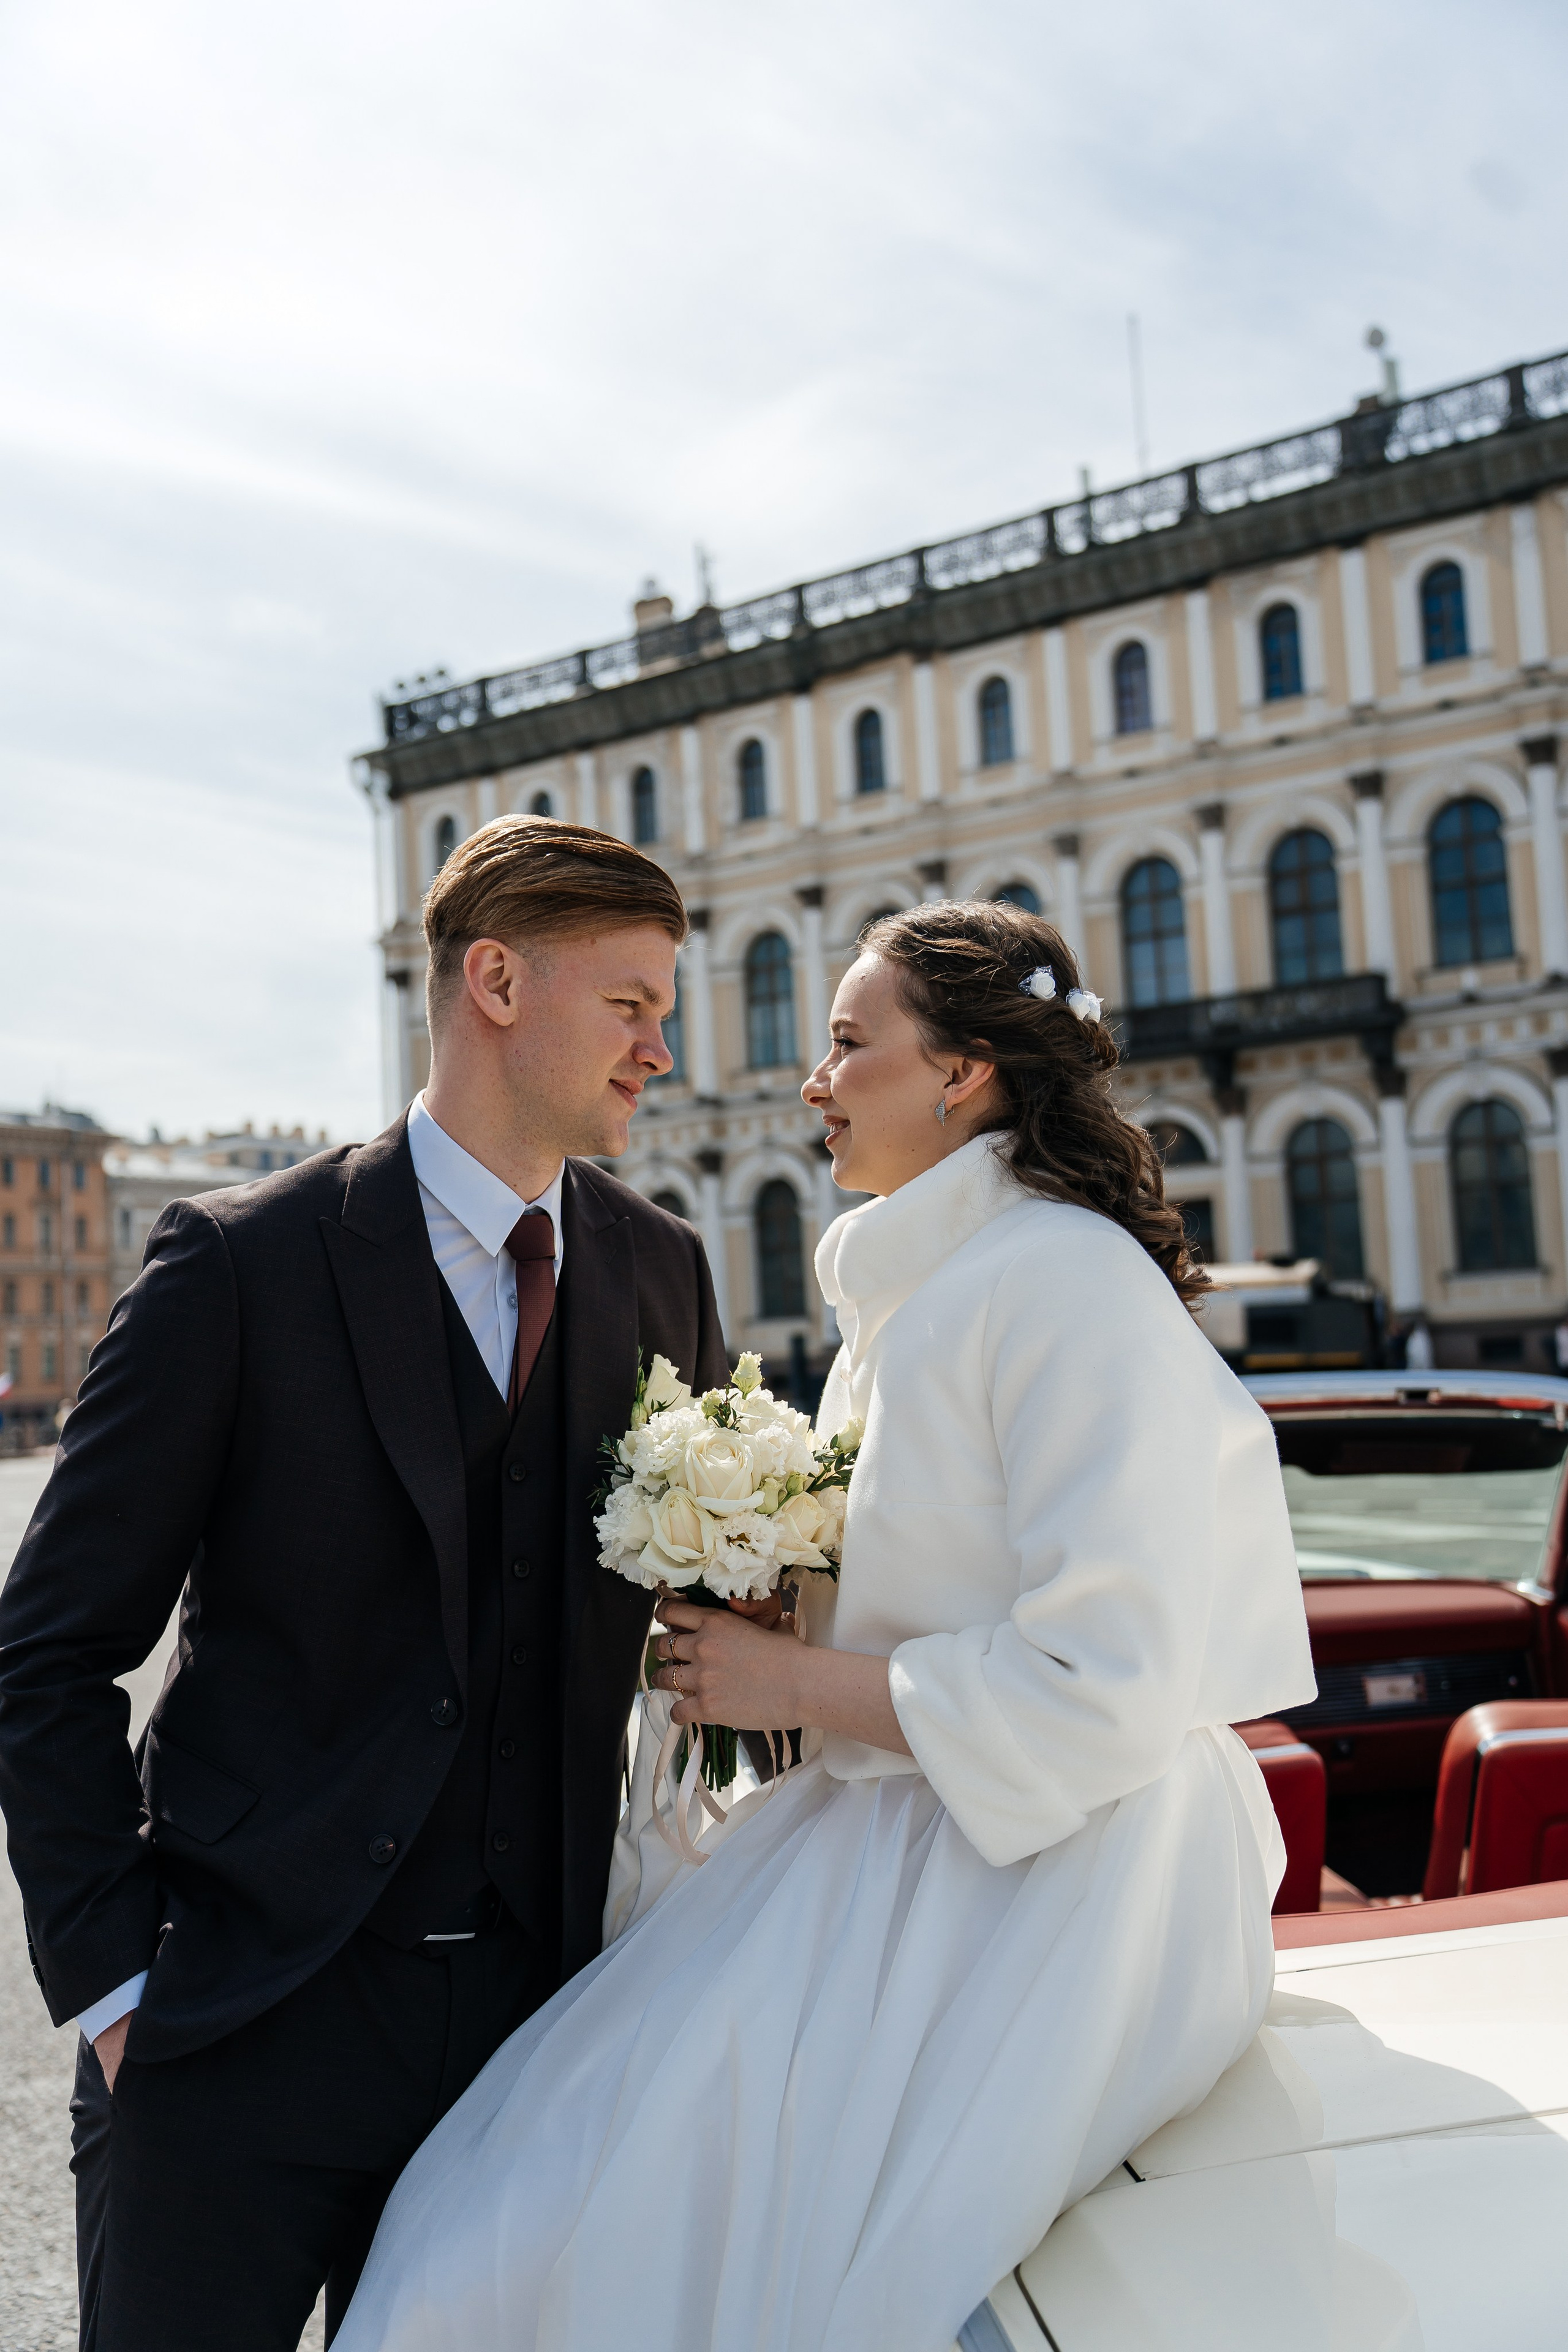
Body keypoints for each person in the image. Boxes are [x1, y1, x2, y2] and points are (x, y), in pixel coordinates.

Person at [336, 900, 1317, 2352]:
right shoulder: (911, 1290)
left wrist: (792, 1673)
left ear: (964, 1074)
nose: (813, 1076)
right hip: (893, 1822)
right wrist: (764, 1590)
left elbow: (1107, 1682)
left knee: (620, 2192)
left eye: (849, 1044)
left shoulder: (1062, 1280)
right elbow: (931, 1575)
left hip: (1056, 1864)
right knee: (529, 2184)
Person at [0, 817, 731, 2351]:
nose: (661, 1049)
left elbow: (706, 1630)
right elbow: (47, 1652)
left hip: (536, 2048)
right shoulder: (236, 1263)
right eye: (631, 1005)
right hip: (235, 2031)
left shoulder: (664, 1270)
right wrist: (118, 1990)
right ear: (494, 983)